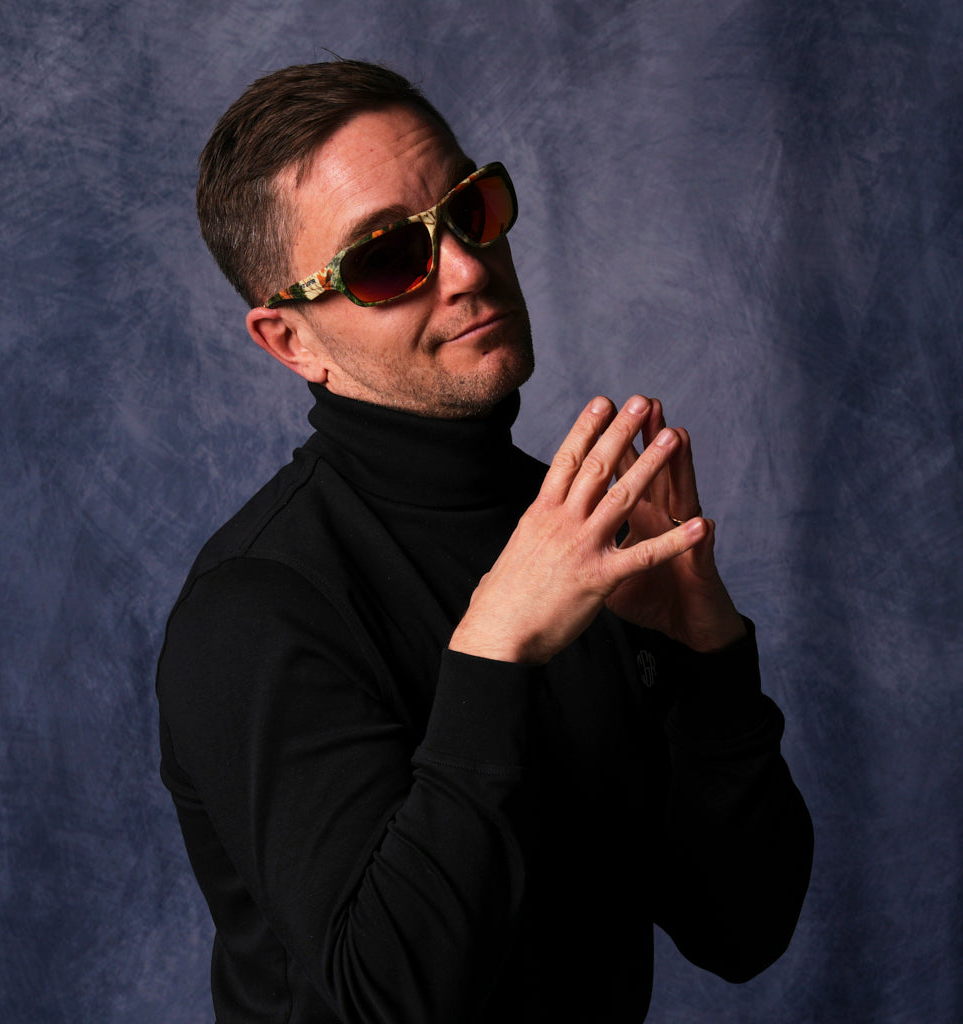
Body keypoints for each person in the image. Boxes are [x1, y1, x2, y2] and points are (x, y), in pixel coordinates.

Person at [157, 59, 812, 1024]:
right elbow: (393, 1002)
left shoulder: (574, 531)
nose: (467, 269)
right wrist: (495, 649)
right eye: (387, 257)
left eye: (470, 209)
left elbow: (742, 931)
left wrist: (705, 657)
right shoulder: (254, 607)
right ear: (292, 342)